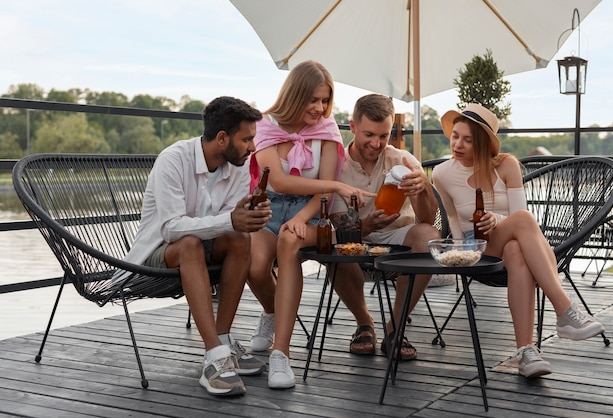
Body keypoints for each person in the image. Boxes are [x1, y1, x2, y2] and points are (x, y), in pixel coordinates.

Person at [431, 103, 605, 378]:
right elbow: (452, 218)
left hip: (507, 240)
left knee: (515, 249)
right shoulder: (441, 173)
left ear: (482, 143)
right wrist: (463, 248)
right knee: (522, 224)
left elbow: (516, 214)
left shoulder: (507, 166)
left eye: (467, 139)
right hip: (475, 247)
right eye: (455, 136)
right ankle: (565, 310)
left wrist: (497, 221)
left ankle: (526, 352)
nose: (457, 144)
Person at [122, 96, 271, 397]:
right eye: (246, 139)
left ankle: (224, 340)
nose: (253, 147)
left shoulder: (238, 164)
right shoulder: (173, 160)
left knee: (241, 239)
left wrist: (245, 216)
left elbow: (228, 225)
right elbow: (171, 228)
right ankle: (214, 357)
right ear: (221, 138)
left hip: (200, 248)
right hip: (155, 254)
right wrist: (231, 219)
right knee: (189, 243)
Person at [245, 60, 374, 389]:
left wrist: (302, 218)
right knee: (257, 267)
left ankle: (281, 354)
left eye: (325, 100)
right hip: (269, 208)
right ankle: (273, 312)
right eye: (313, 99)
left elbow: (325, 195)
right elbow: (282, 182)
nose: (320, 108)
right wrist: (337, 186)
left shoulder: (327, 131)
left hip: (314, 213)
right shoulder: (264, 125)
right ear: (294, 95)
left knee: (289, 244)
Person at [330, 94, 440, 361]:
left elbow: (428, 219)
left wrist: (424, 187)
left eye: (384, 135)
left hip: (397, 234)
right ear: (353, 127)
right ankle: (364, 323)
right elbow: (337, 226)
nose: (376, 144)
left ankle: (395, 327)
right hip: (354, 235)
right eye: (369, 134)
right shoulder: (335, 165)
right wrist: (364, 226)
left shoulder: (402, 160)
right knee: (331, 246)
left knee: (429, 238)